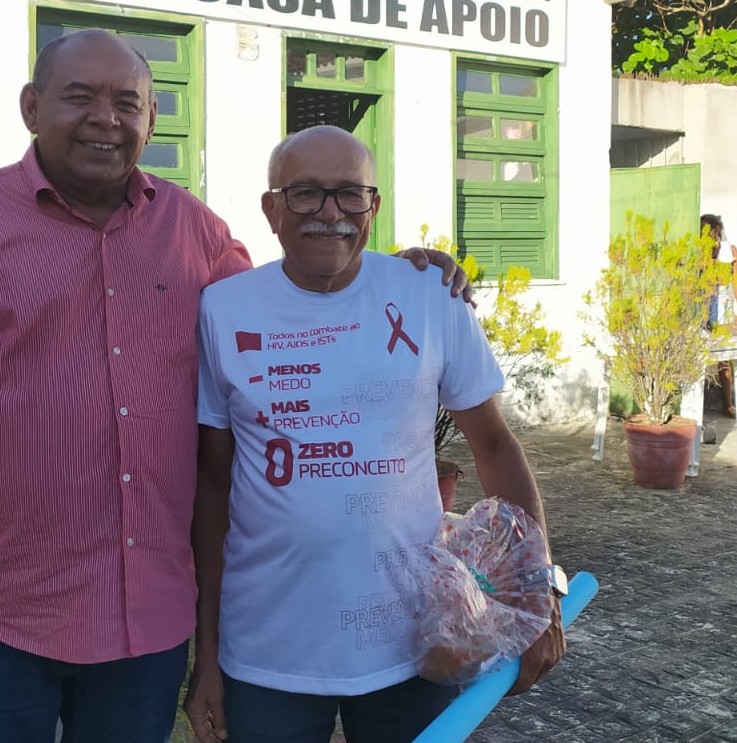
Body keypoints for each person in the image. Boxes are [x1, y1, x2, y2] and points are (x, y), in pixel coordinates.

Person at [0, 30, 467, 742]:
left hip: (142, 624)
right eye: (79, 97)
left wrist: (391, 274)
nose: (105, 118)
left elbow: (288, 315)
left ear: (151, 121)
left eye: (128, 102)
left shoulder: (198, 234)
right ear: (31, 106)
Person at [183, 126, 566, 743]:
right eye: (306, 193)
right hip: (268, 651)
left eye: (350, 195)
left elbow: (494, 446)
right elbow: (212, 485)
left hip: (417, 645)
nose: (330, 214)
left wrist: (535, 592)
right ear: (271, 209)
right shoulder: (223, 310)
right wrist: (207, 652)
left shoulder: (429, 294)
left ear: (374, 206)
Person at [701, 214, 737, 416]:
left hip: (723, 305)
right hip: (701, 305)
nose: (713, 237)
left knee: (725, 357)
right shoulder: (698, 251)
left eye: (715, 232)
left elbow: (735, 280)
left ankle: (728, 402)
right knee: (698, 356)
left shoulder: (729, 250)